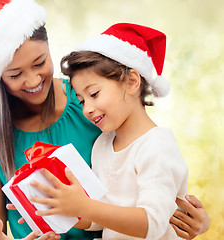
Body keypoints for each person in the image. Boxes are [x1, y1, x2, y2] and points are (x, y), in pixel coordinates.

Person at [0, 0, 209, 239]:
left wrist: (190, 219)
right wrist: (58, 208)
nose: (33, 80)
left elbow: (151, 179)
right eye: (15, 74)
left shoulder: (92, 101)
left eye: (40, 63)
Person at [27, 23, 210, 239]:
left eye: (94, 94)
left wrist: (85, 207)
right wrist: (60, 206)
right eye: (81, 100)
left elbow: (152, 224)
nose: (87, 109)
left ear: (132, 82)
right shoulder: (102, 145)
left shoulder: (157, 145)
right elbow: (100, 217)